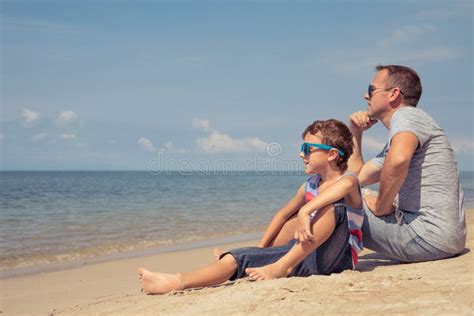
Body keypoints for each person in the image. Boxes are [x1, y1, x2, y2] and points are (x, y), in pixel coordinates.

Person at [138, 119, 363, 294]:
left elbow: (340, 192)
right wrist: (260, 251)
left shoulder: (349, 181)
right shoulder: (310, 185)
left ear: (332, 154)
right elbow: (282, 215)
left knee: (333, 208)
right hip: (301, 254)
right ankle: (177, 281)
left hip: (336, 258)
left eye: (307, 148)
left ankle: (281, 267)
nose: (301, 154)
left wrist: (305, 210)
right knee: (240, 256)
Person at [348, 64, 466, 263]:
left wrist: (380, 206)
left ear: (394, 94)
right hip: (444, 239)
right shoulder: (403, 137)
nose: (365, 96)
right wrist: (355, 132)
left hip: (426, 237)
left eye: (371, 90)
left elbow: (398, 161)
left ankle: (282, 256)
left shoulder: (407, 115)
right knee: (340, 192)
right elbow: (356, 177)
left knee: (329, 196)